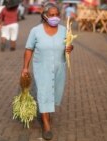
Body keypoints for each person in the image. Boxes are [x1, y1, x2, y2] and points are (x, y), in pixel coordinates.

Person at [21, 2, 73, 140]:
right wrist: (25, 67)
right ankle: (46, 125)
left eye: (57, 15)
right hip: (42, 68)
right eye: (51, 15)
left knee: (55, 93)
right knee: (44, 93)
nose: (55, 17)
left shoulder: (64, 30)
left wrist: (70, 48)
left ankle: (47, 114)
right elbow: (28, 49)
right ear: (44, 16)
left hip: (59, 68)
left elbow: (68, 45)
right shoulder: (36, 31)